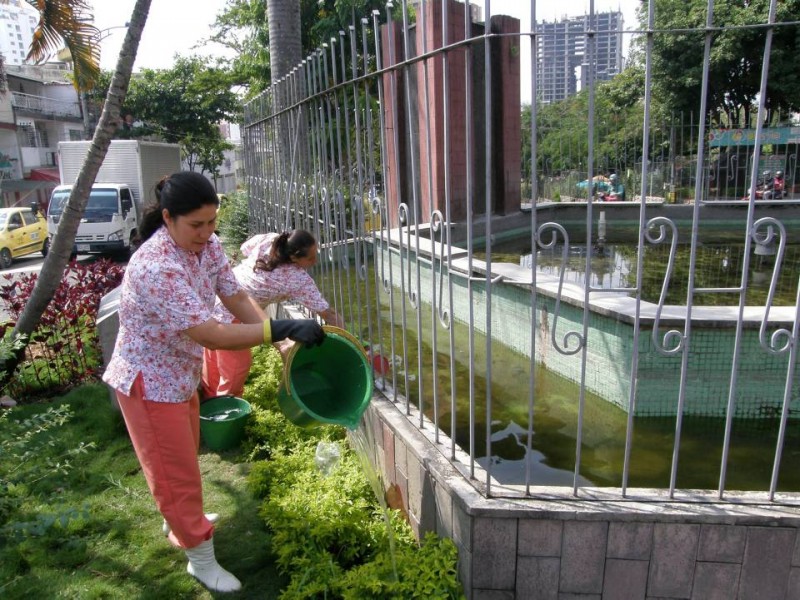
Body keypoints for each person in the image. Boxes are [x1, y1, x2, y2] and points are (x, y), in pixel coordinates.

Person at [102, 172, 325, 593]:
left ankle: (183, 525)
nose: (207, 233)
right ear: (168, 218)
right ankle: (200, 560)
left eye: (212, 222)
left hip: (178, 375)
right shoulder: (155, 265)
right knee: (176, 476)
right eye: (196, 225)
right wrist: (279, 330)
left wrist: (274, 334)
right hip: (148, 383)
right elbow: (209, 333)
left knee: (182, 460)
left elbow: (235, 296)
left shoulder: (207, 246)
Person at [201, 229, 345, 399]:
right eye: (311, 258)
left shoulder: (270, 239)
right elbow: (328, 314)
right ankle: (224, 411)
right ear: (293, 258)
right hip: (233, 311)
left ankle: (208, 400)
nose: (315, 261)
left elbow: (245, 248)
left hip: (217, 297)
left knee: (213, 360)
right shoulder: (297, 280)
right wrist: (348, 337)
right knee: (236, 368)